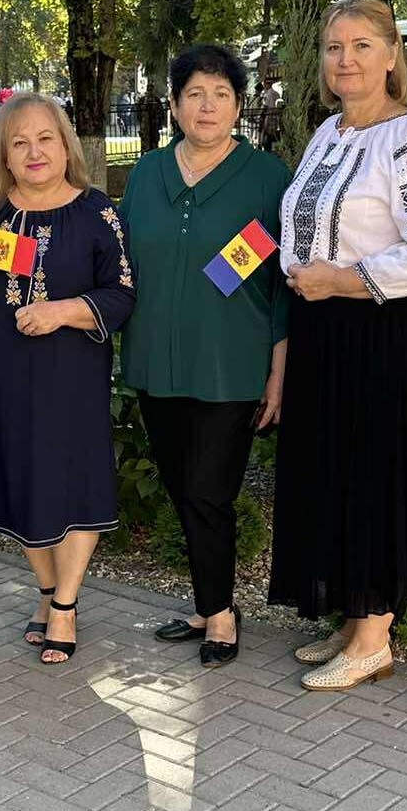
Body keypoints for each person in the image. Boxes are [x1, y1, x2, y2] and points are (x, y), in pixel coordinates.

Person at [269, 0, 407, 691]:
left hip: (379, 327)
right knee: (333, 470)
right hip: (322, 324)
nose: (345, 59)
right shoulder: (329, 132)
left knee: (374, 471)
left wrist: (343, 280)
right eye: (333, 47)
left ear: (390, 56)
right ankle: (353, 618)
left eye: (361, 46)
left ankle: (376, 634)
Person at [120, 45, 291, 668]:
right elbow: (120, 263)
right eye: (194, 93)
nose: (207, 106)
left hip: (231, 366)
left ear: (239, 105)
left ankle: (220, 613)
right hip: (155, 364)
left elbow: (282, 285)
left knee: (208, 490)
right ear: (174, 104)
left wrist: (279, 370)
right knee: (181, 488)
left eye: (221, 94)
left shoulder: (268, 180)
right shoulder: (146, 175)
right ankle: (206, 602)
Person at [0, 93, 135, 664]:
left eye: (45, 139)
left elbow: (122, 294)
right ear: (4, 155)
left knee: (75, 483)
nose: (34, 152)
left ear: (66, 146)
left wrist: (62, 311)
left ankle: (65, 603)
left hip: (72, 379)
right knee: (21, 484)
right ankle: (45, 590)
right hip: (5, 380)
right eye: (19, 142)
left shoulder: (95, 213)